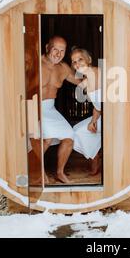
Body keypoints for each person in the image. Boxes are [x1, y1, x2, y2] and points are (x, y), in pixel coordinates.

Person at [31, 35, 80, 184]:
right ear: (47, 47)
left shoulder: (63, 68)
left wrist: (96, 77)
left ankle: (59, 172)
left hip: (50, 108)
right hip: (34, 106)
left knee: (69, 137)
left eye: (62, 51)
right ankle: (38, 172)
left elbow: (80, 82)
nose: (58, 54)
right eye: (55, 49)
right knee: (46, 138)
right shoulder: (34, 64)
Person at [70, 47, 102, 175]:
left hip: (114, 119)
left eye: (80, 59)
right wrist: (93, 121)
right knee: (75, 131)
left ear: (89, 60)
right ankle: (95, 156)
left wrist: (95, 121)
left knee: (79, 132)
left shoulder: (100, 73)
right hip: (101, 116)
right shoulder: (87, 80)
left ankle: (95, 158)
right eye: (74, 62)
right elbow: (97, 106)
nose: (77, 64)